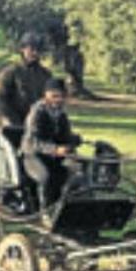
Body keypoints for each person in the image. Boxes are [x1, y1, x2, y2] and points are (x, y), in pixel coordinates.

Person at [22, 78, 82, 221]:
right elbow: (34, 141)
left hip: (55, 157)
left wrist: (74, 141)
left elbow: (65, 136)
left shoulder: (61, 114)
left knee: (76, 173)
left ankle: (67, 211)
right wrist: (55, 149)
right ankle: (46, 214)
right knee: (46, 177)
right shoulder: (37, 112)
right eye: (54, 96)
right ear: (46, 96)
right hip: (32, 156)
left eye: (62, 96)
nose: (58, 100)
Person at [0, 32, 52, 126]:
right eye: (32, 49)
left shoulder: (46, 74)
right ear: (22, 49)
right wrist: (14, 119)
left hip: (38, 122)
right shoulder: (11, 72)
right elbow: (1, 98)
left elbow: (50, 100)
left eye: (38, 50)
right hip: (14, 122)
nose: (35, 53)